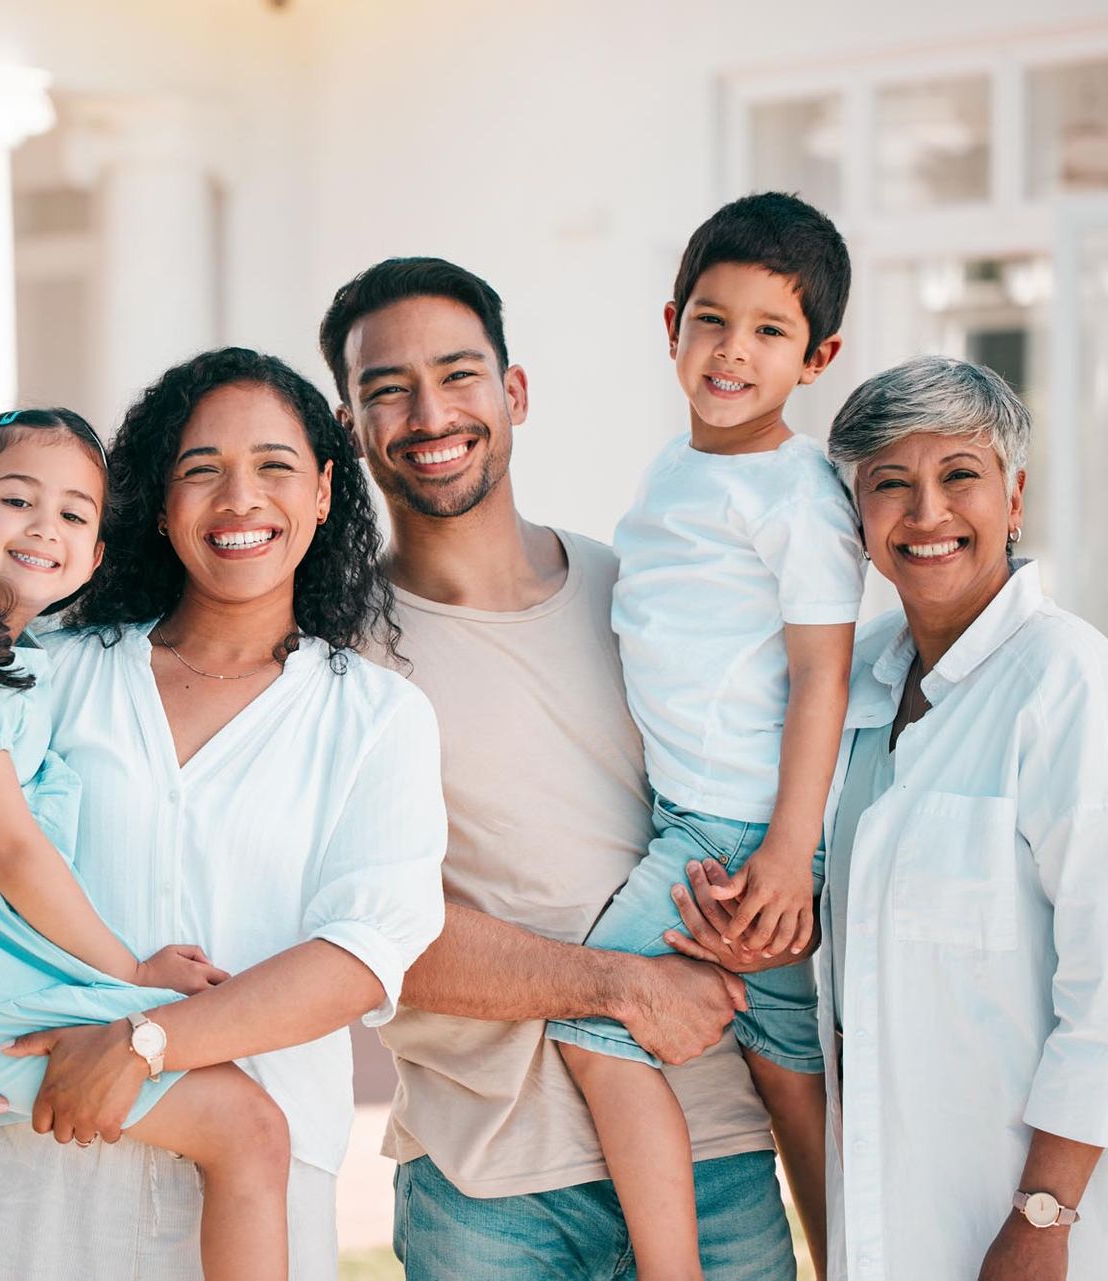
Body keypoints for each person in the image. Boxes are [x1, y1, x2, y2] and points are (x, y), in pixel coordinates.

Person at [0, 347, 448, 1280]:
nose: (240, 499)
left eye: (275, 466)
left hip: (253, 1190)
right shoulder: (41, 672)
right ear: (158, 506)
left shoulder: (374, 717)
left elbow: (360, 959)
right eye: (202, 470)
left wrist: (145, 1041)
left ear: (324, 492)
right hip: (33, 1173)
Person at [673, 355, 1108, 1279]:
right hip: (901, 1217)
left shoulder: (1075, 693)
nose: (926, 513)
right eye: (890, 484)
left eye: (959, 477)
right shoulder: (856, 690)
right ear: (856, 518)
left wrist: (1042, 1217)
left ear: (1014, 500)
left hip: (1059, 1235)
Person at [320, 255, 795, 1280]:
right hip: (492, 1191)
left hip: (712, 1147)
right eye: (386, 390)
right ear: (351, 425)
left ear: (515, 391)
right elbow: (368, 931)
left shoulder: (642, 595)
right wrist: (620, 986)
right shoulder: (334, 660)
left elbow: (749, 807)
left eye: (458, 374)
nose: (429, 412)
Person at [0, 406, 289, 1280]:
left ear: (98, 554)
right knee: (248, 1128)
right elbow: (11, 851)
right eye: (17, 499)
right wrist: (132, 971)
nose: (45, 526)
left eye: (75, 514)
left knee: (240, 1109)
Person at [539, 192, 856, 1277]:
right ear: (669, 323)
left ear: (819, 357)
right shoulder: (679, 470)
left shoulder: (797, 495)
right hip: (705, 811)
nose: (733, 352)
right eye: (712, 321)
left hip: (739, 830)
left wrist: (783, 851)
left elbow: (824, 672)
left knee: (595, 1026)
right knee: (784, 1070)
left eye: (771, 332)